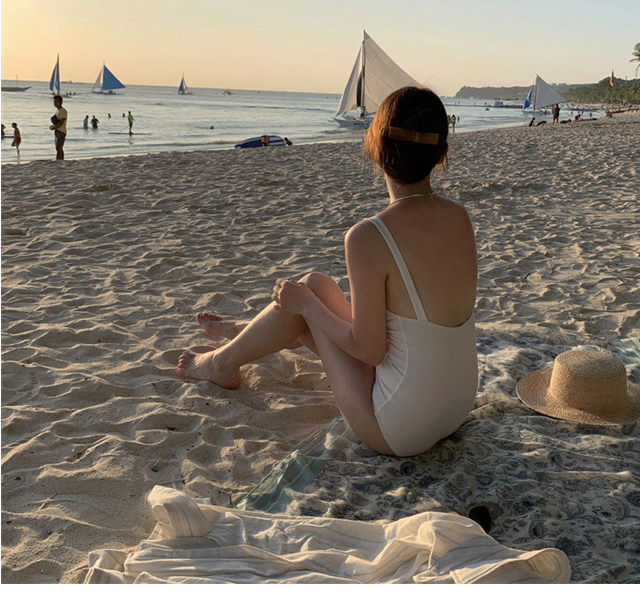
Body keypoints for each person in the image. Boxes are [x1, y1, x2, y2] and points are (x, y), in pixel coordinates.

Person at [176, 86, 478, 457]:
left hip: (400, 428)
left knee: (308, 295)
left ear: (376, 148)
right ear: (441, 154)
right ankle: (252, 332)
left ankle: (220, 363)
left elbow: (369, 350)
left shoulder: (370, 236)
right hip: (456, 404)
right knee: (316, 285)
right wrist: (308, 304)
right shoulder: (459, 217)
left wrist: (307, 307)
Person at [50, 95, 68, 160]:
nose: (54, 103)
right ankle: (60, 159)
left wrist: (54, 127)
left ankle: (59, 160)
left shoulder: (63, 111)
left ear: (60, 102)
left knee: (59, 147)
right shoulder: (58, 111)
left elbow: (61, 122)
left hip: (61, 131)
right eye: (54, 102)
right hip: (58, 130)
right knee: (58, 147)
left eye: (56, 102)